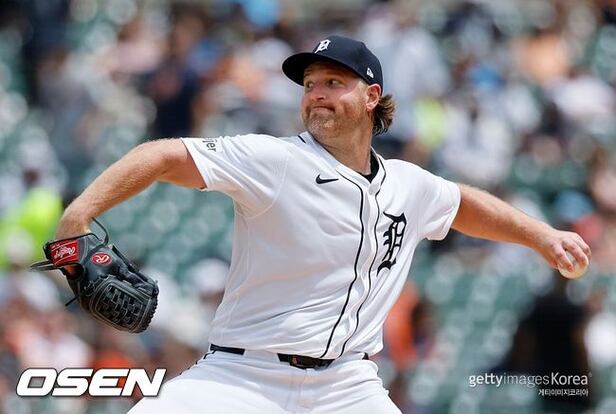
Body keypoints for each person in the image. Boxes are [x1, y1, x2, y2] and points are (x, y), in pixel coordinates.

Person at [53, 35, 591, 413]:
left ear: (372, 97)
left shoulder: (407, 184)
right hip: (243, 376)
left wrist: (542, 236)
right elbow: (161, 156)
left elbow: (463, 205)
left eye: (333, 82)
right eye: (310, 84)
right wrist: (78, 214)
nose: (316, 94)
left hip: (347, 385)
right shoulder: (276, 160)